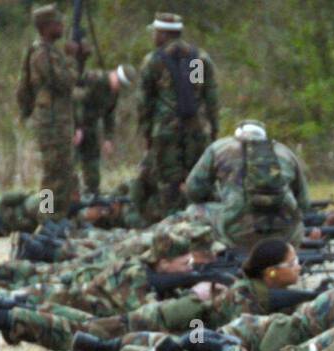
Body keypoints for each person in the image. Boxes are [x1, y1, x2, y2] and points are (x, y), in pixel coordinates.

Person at [133, 13, 220, 222]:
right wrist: (213, 128)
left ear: (163, 34)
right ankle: (198, 225)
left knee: (168, 184)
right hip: (196, 131)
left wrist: (146, 133)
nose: (153, 36)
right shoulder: (198, 59)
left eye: (155, 32)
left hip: (166, 133)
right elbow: (208, 96)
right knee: (196, 180)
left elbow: (144, 102)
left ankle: (173, 228)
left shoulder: (154, 61)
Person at [185, 121, 311, 253]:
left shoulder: (219, 148)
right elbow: (304, 203)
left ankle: (206, 255)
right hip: (285, 233)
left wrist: (218, 197)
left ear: (237, 134)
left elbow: (194, 191)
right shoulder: (285, 152)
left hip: (235, 231)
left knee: (193, 210)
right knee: (297, 218)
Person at [16, 4, 80, 223]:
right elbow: (65, 83)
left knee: (64, 171)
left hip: (58, 121)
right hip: (51, 122)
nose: (62, 27)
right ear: (46, 27)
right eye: (57, 23)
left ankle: (59, 216)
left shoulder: (50, 51)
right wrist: (73, 58)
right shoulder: (42, 53)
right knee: (52, 174)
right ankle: (46, 218)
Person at [75, 67, 124, 196]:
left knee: (92, 166)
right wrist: (77, 127)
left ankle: (92, 197)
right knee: (60, 172)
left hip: (90, 127)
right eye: (118, 82)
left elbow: (109, 114)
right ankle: (48, 210)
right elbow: (77, 102)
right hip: (73, 126)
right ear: (114, 75)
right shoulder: (94, 80)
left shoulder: (114, 92)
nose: (118, 87)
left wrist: (108, 137)